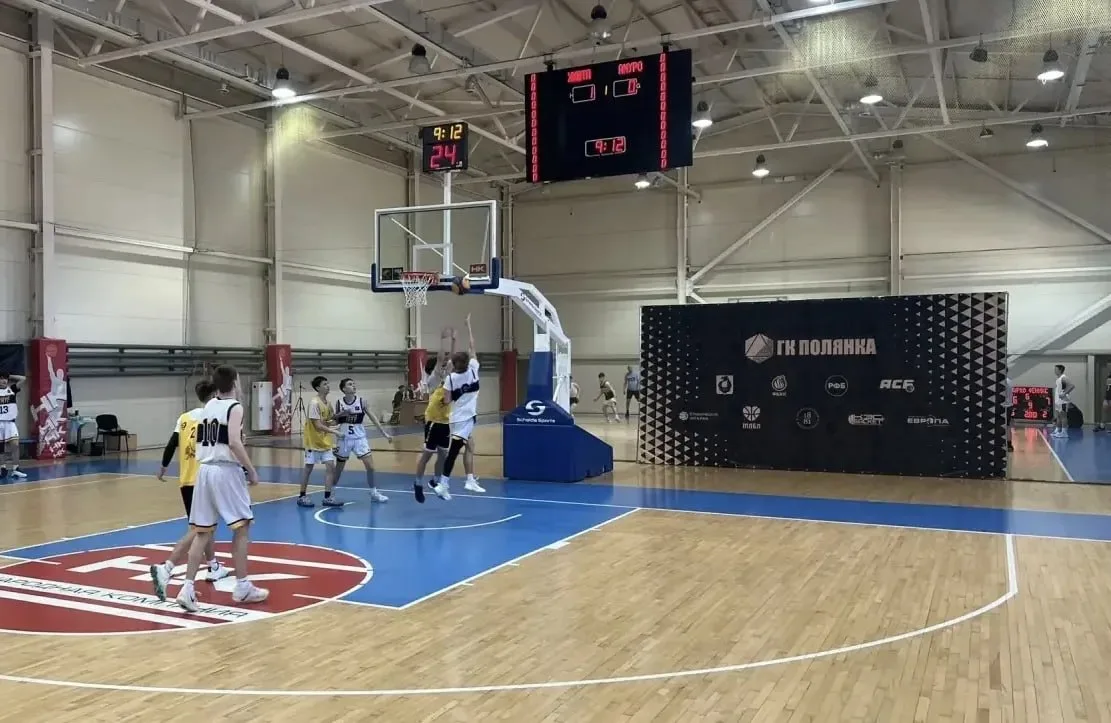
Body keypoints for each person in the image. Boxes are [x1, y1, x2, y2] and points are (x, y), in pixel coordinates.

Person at [176, 365, 267, 612]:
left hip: (204, 470)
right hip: (225, 470)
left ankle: (187, 588)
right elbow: (234, 442)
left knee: (202, 531)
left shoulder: (208, 407)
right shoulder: (234, 407)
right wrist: (251, 469)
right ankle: (243, 586)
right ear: (235, 382)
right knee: (242, 527)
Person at [149, 380, 230, 601]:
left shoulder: (184, 417)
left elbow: (171, 444)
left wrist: (163, 467)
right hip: (204, 479)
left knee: (205, 527)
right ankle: (167, 567)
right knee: (201, 528)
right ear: (214, 394)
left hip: (186, 480)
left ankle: (213, 566)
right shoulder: (213, 416)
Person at [429, 314, 485, 499]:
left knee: (470, 446)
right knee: (454, 451)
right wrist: (468, 325)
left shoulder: (451, 379)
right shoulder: (474, 369)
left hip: (457, 416)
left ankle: (470, 479)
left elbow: (446, 401)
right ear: (467, 362)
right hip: (465, 419)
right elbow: (472, 345)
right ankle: (443, 484)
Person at [333, 378, 391, 504]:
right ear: (344, 389)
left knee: (371, 467)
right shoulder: (339, 403)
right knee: (339, 468)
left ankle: (374, 492)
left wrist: (384, 433)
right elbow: (334, 420)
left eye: (354, 384)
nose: (353, 386)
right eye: (350, 384)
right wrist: (342, 414)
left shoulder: (362, 402)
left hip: (360, 439)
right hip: (344, 439)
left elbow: (373, 418)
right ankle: (330, 493)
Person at [415, 328, 455, 503]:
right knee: (427, 455)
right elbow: (440, 359)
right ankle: (418, 484)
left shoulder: (448, 378)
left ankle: (435, 481)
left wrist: (454, 341)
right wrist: (442, 340)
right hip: (433, 421)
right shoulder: (433, 380)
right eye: (442, 366)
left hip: (445, 421)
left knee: (444, 455)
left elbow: (451, 359)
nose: (445, 366)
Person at [297, 376, 342, 508]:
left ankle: (327, 498)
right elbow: (317, 425)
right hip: (313, 442)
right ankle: (302, 496)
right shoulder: (314, 403)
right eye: (324, 384)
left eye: (328, 383)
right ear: (318, 388)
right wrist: (335, 431)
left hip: (325, 442)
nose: (328, 386)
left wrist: (339, 416)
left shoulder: (328, 403)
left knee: (330, 467)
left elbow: (329, 420)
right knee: (308, 468)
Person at [0, 372, 27, 480]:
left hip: (10, 423)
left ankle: (15, 468)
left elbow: (23, 379)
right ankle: (2, 468)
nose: (3, 380)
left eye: (5, 378)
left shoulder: (12, 389)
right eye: (1, 378)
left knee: (15, 445)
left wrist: (9, 375)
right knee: (0, 448)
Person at [1052, 364, 1074, 439]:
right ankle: (1058, 431)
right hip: (1058, 401)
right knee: (1058, 416)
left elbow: (1071, 386)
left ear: (1060, 370)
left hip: (1063, 401)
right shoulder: (1058, 379)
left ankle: (1064, 433)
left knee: (1063, 416)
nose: (1055, 371)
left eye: (1056, 369)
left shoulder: (1063, 377)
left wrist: (1064, 393)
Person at [1003, 374, 1014, 452]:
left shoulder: (1004, 382)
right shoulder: (1010, 381)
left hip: (1005, 406)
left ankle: (1008, 444)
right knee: (1007, 426)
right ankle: (1009, 445)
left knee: (1006, 426)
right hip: (1009, 406)